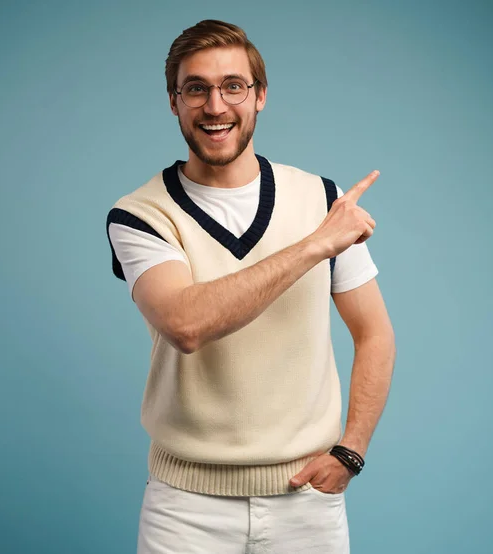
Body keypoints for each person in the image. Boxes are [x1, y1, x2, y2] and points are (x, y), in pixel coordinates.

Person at [105, 19, 396, 554]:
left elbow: (374, 333)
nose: (215, 106)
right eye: (196, 88)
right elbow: (186, 324)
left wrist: (351, 450)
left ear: (259, 96)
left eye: (233, 86)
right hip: (185, 508)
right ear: (174, 102)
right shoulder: (139, 214)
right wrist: (314, 246)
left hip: (307, 500)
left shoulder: (321, 199)